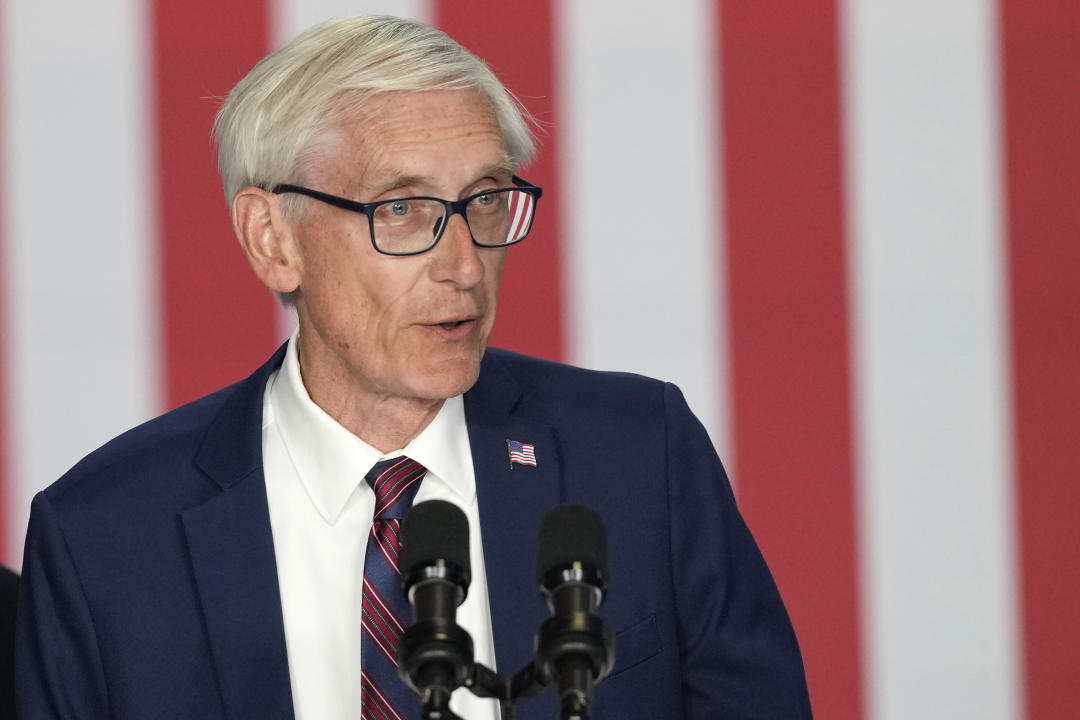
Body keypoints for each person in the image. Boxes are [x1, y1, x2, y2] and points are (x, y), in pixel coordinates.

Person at [16, 15, 812, 720]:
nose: (464, 266)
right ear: (272, 238)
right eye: (402, 210)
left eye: (486, 200)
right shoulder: (107, 537)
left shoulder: (641, 458)